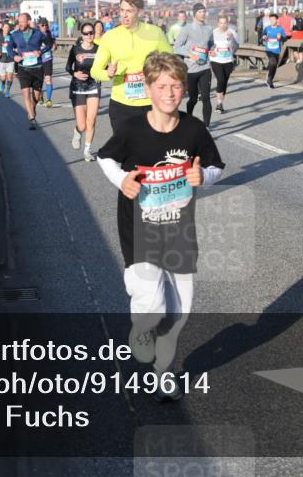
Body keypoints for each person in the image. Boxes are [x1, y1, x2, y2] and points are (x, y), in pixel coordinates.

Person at [96, 52, 224, 401]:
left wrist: (204, 177)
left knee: (179, 312)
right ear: (149, 89)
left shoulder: (194, 129)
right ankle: (141, 327)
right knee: (151, 298)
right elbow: (104, 157)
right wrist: (123, 180)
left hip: (180, 227)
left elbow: (215, 167)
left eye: (176, 86)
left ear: (185, 89)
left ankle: (164, 373)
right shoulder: (132, 130)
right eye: (162, 86)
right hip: (140, 227)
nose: (170, 93)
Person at [91, 0, 173, 131]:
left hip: (150, 103)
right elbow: (94, 71)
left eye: (129, 11)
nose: (124, 15)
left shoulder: (155, 32)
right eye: (122, 10)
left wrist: (154, 73)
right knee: (125, 151)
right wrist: (108, 74)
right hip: (121, 105)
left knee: (148, 151)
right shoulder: (110, 36)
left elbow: (172, 64)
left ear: (139, 12)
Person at [7, 12, 53, 129]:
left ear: (28, 21)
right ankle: (32, 118)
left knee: (36, 97)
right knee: (26, 94)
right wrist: (14, 56)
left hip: (37, 68)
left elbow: (49, 43)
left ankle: (32, 110)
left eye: (22, 21)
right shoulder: (15, 35)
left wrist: (41, 52)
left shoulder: (38, 34)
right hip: (24, 69)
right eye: (19, 22)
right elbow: (9, 48)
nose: (20, 24)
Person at [174, 3, 215, 128]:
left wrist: (212, 49)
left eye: (204, 11)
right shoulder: (187, 29)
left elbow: (211, 44)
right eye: (200, 11)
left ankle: (207, 127)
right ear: (194, 13)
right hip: (191, 70)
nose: (203, 14)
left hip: (205, 68)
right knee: (193, 99)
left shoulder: (209, 28)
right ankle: (189, 118)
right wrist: (191, 55)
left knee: (206, 98)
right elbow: (177, 47)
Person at [67, 22, 102, 162]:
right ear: (82, 35)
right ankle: (77, 131)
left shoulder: (99, 49)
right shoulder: (75, 49)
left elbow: (104, 66)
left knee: (91, 121)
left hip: (94, 86)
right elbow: (68, 67)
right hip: (78, 88)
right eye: (86, 33)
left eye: (91, 33)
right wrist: (74, 74)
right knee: (82, 125)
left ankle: (87, 151)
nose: (89, 35)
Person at [210, 14, 240, 114]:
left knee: (224, 82)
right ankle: (218, 104)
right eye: (221, 23)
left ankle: (221, 103)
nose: (223, 25)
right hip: (216, 60)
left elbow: (236, 47)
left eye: (225, 23)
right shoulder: (213, 33)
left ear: (227, 23)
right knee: (221, 80)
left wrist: (231, 39)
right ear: (218, 23)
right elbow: (209, 45)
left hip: (228, 61)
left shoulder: (232, 32)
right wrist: (211, 51)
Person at [261, 13, 288, 88]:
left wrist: (281, 38)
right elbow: (263, 36)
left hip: (277, 50)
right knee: (273, 62)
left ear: (277, 20)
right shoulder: (267, 28)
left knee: (274, 65)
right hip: (269, 49)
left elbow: (285, 39)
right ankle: (269, 79)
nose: (272, 21)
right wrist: (264, 37)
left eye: (273, 19)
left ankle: (270, 79)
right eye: (270, 19)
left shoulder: (280, 29)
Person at [0, 21, 15, 97]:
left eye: (8, 27)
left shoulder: (12, 37)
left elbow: (16, 45)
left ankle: (7, 91)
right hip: (1, 60)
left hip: (10, 59)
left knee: (10, 77)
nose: (7, 29)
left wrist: (16, 50)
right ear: (2, 28)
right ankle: (3, 83)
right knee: (3, 78)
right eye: (5, 27)